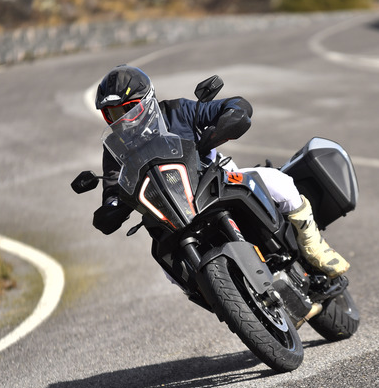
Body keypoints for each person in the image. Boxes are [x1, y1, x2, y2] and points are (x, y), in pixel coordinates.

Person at [92, 64, 349, 278]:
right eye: (112, 113)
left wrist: (226, 122)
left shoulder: (177, 111)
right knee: (170, 272)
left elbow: (231, 106)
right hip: (169, 210)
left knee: (277, 181)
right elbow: (113, 188)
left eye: (128, 108)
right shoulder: (116, 150)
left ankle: (314, 245)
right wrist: (112, 207)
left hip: (215, 179)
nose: (121, 117)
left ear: (147, 100)